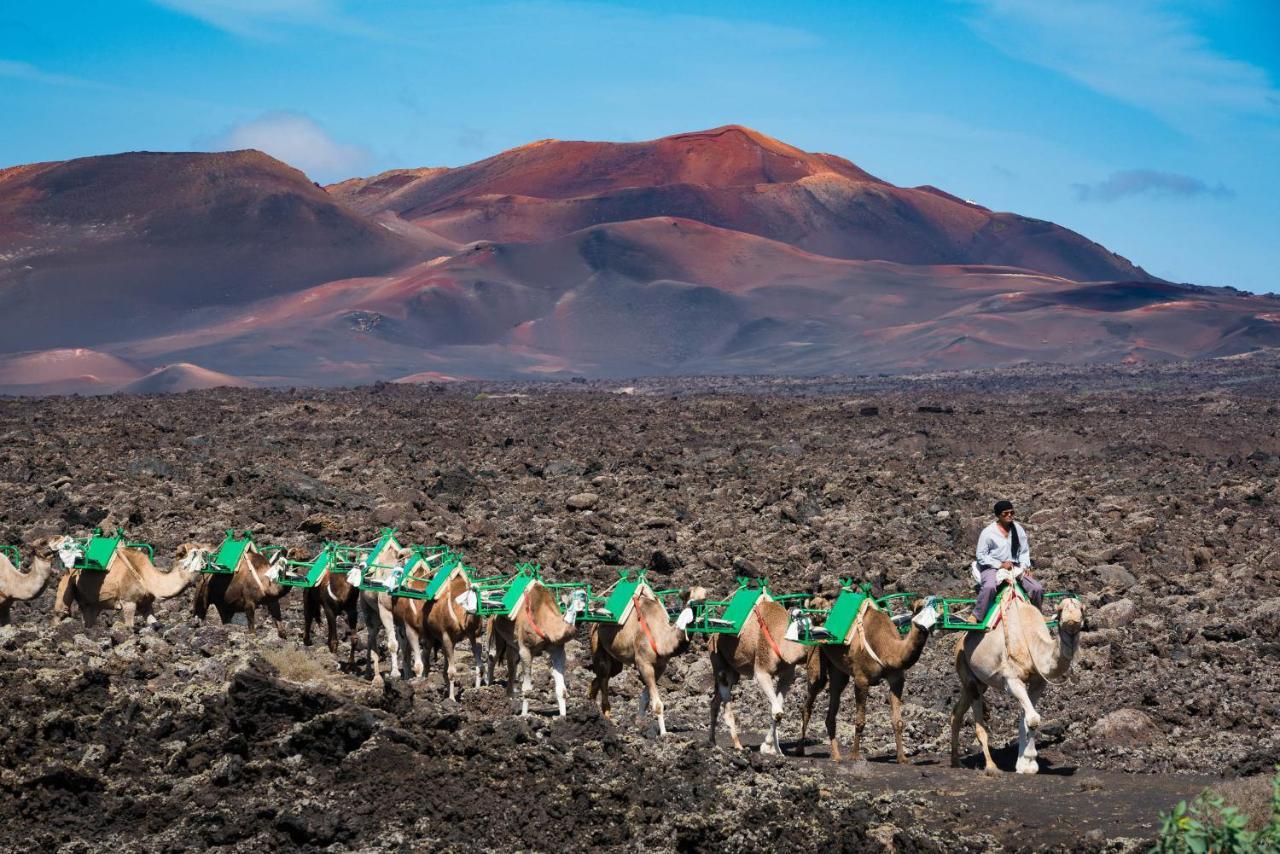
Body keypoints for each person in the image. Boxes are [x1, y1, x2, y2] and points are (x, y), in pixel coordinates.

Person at [973, 500, 1043, 621]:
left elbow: (1024, 551)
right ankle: (976, 615)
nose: (1009, 515)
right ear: (998, 515)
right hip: (992, 567)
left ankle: (1038, 616)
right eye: (1005, 513)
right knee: (989, 586)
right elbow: (981, 555)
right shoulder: (988, 532)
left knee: (1037, 588)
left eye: (1011, 512)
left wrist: (1025, 567)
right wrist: (999, 564)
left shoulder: (1018, 529)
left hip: (1014, 567)